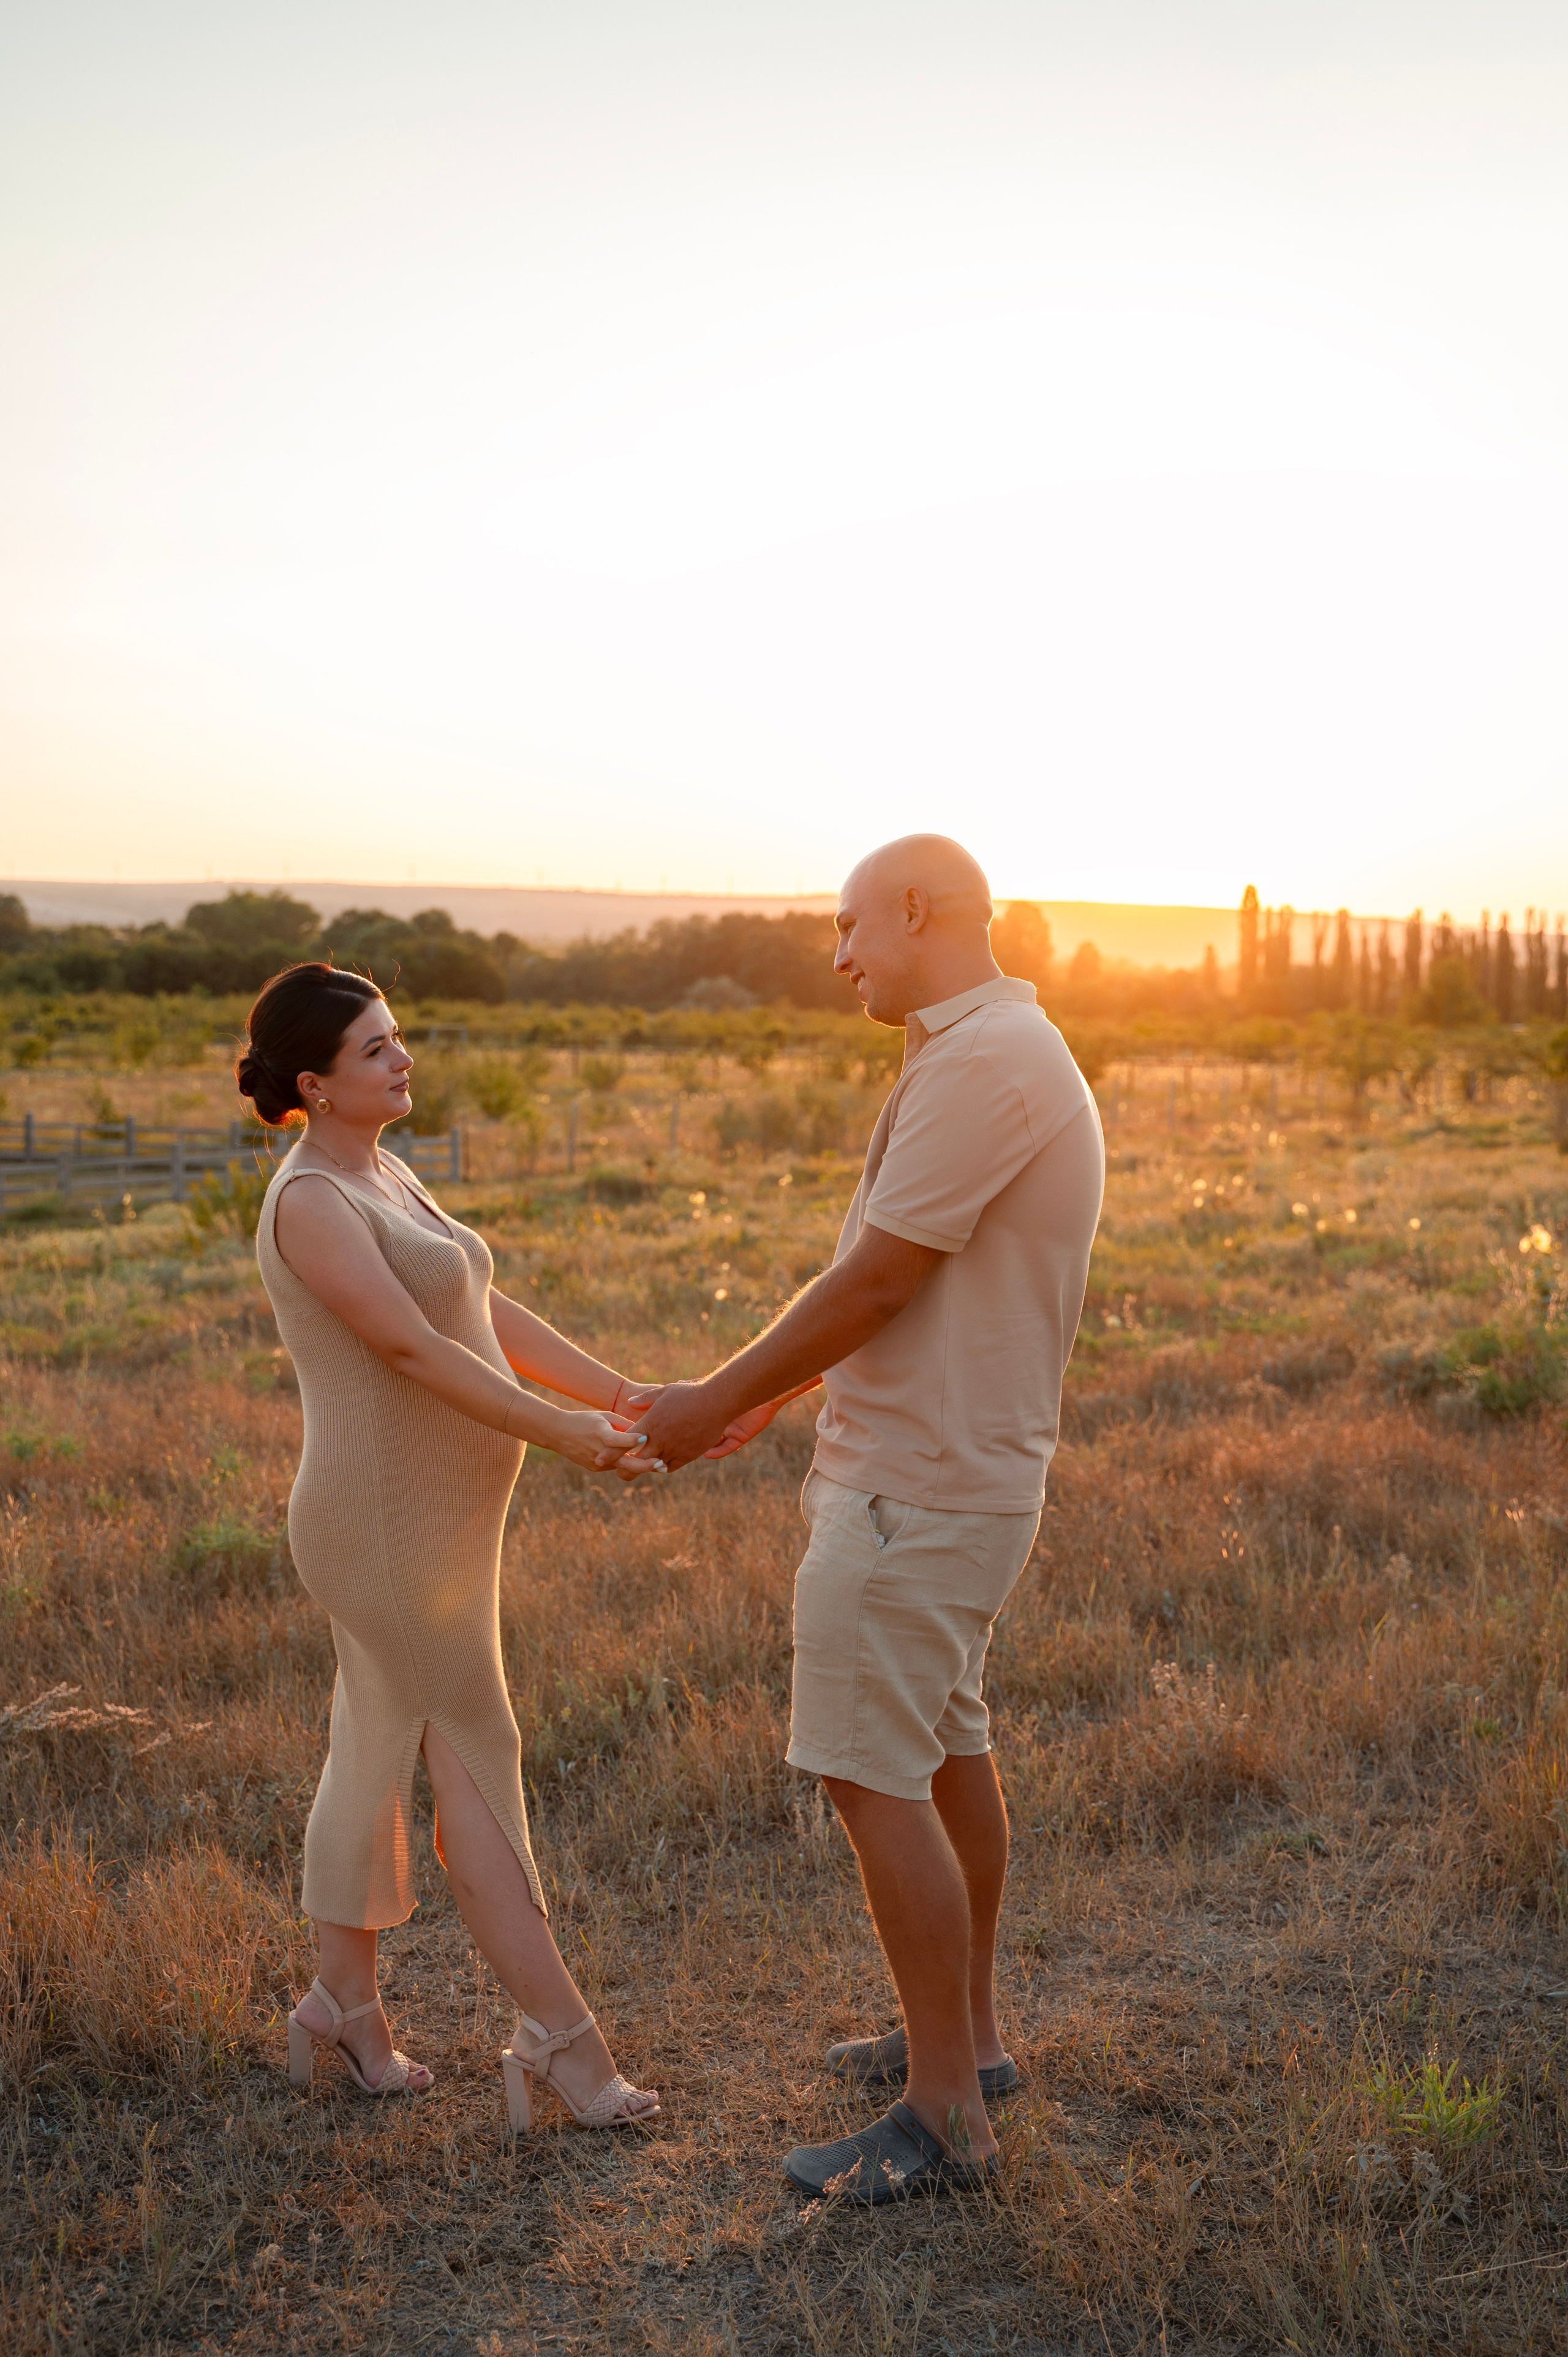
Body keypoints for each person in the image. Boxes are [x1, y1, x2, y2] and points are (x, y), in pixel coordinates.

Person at [633, 835, 1104, 2202]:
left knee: (867, 1772)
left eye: (847, 926)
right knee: (944, 1746)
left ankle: (945, 2116)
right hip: (942, 1471)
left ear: (914, 910)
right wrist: (785, 1392)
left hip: (917, 1487)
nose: (836, 956)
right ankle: (969, 2042)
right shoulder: (985, 1043)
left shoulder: (982, 1060)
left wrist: (708, 1397)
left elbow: (882, 1278)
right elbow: (885, 1280)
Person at [244, 961, 661, 2132]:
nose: (401, 1057)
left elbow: (479, 1309)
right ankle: (562, 2044)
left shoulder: (383, 1172)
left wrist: (622, 1393)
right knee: (475, 1744)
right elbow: (415, 1357)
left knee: (369, 1746)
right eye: (375, 1048)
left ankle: (341, 2009)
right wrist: (568, 1437)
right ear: (316, 1082)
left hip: (437, 1529)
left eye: (397, 1037)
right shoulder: (312, 1202)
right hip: (379, 1529)